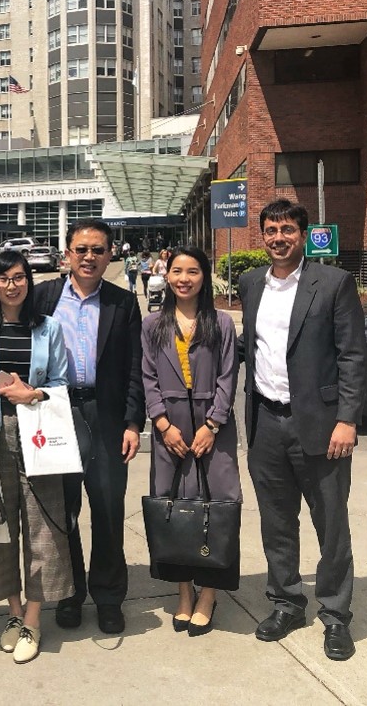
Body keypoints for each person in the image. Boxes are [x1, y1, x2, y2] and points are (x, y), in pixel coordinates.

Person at [237, 199, 367, 662]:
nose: (278, 238)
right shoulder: (251, 284)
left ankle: (335, 614)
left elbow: (352, 355)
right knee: (276, 522)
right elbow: (246, 347)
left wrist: (347, 419)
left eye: (287, 229)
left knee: (330, 524)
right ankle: (286, 602)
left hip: (322, 426)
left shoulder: (333, 283)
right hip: (266, 423)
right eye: (271, 230)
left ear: (303, 234)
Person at [34, 219, 144, 634]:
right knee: (63, 512)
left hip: (106, 416)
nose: (89, 257)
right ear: (67, 253)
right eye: (81, 249)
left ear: (110, 254)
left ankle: (109, 596)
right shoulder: (43, 297)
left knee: (108, 509)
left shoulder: (123, 302)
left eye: (98, 250)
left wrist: (134, 422)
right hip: (56, 411)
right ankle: (69, 594)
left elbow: (135, 367)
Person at [0, 251, 73, 664]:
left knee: (43, 527)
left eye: (19, 277)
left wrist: (34, 394)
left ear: (29, 282)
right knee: (1, 528)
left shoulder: (48, 328)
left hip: (39, 433)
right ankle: (12, 614)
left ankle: (34, 618)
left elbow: (62, 382)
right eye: (4, 279)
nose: (12, 285)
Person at [141, 246, 239, 637]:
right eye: (177, 271)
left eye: (193, 271)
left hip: (213, 427)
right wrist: (162, 424)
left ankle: (209, 592)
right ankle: (184, 592)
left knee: (219, 506)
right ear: (167, 276)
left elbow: (228, 378)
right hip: (171, 428)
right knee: (175, 506)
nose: (184, 278)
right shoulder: (152, 324)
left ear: (204, 277)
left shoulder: (222, 323)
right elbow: (148, 377)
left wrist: (213, 424)